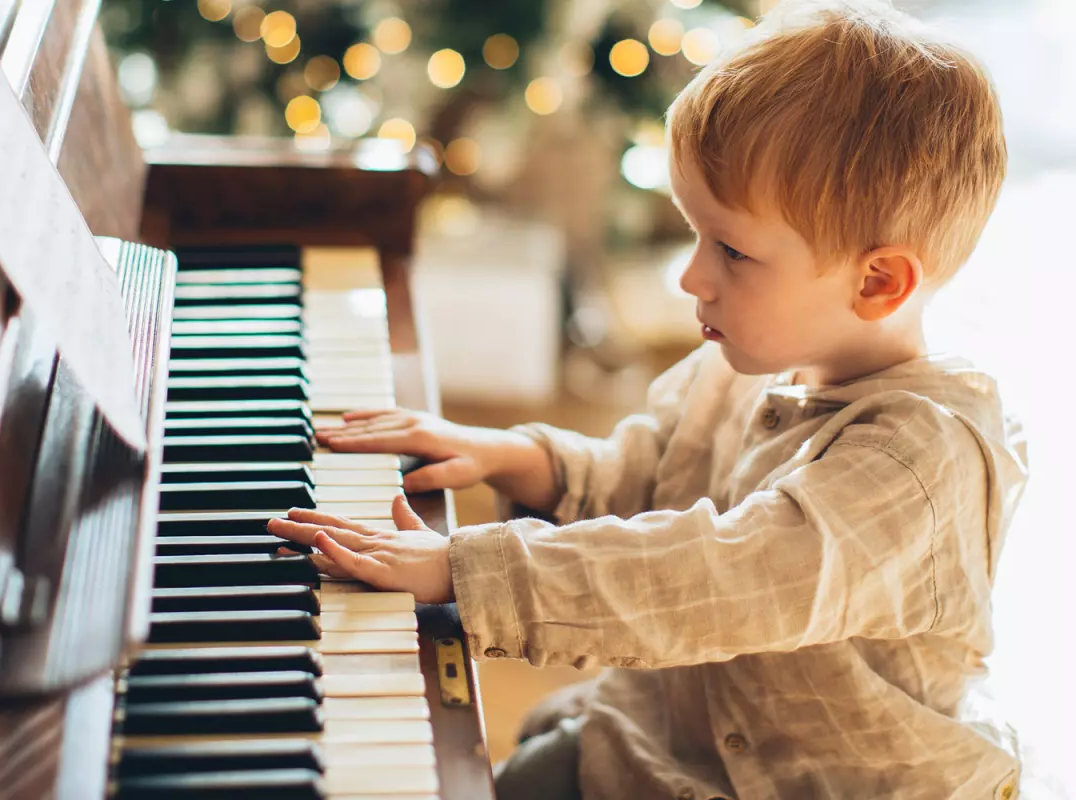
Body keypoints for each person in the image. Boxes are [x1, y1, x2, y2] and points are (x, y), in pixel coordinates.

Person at [268, 1, 1029, 797]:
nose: (692, 278)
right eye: (694, 234)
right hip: (680, 739)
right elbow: (652, 476)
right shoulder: (745, 363)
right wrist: (521, 457)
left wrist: (469, 572)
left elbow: (715, 577)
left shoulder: (919, 467)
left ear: (877, 282)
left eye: (732, 250)